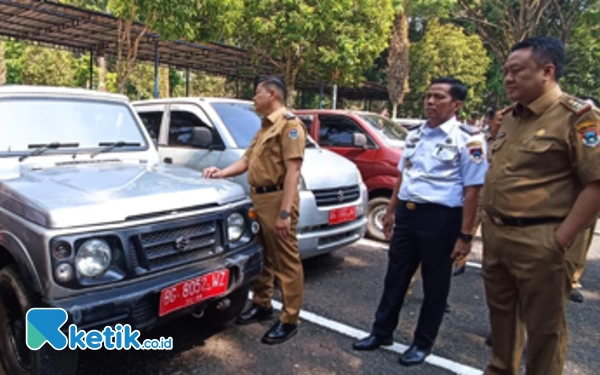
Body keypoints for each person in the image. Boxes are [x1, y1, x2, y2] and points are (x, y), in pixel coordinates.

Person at [481, 36, 600, 375]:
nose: (508, 79)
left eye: (517, 71)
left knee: (545, 330)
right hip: (497, 236)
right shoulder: (510, 118)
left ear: (547, 71)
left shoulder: (578, 117)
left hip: (542, 239)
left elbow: (596, 185)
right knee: (501, 319)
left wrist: (559, 240)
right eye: (506, 71)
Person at [352, 77, 488, 366]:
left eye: (439, 97)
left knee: (435, 285)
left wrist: (465, 235)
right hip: (407, 215)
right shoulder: (414, 135)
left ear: (456, 105)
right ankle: (381, 332)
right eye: (428, 96)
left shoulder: (469, 139)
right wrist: (390, 212)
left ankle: (422, 343)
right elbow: (404, 175)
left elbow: (473, 190)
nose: (430, 102)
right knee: (395, 277)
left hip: (441, 219)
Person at [203, 76, 307, 345]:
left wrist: (284, 213)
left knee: (286, 261)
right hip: (258, 199)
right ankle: (262, 304)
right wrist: (221, 173)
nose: (254, 99)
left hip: (277, 200)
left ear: (272, 94)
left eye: (257, 93)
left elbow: (293, 171)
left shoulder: (290, 126)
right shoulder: (263, 128)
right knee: (262, 256)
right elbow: (247, 160)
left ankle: (289, 319)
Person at [567, 96, 600, 304]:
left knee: (578, 245)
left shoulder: (590, 125)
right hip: (559, 201)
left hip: (585, 198)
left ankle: (570, 281)